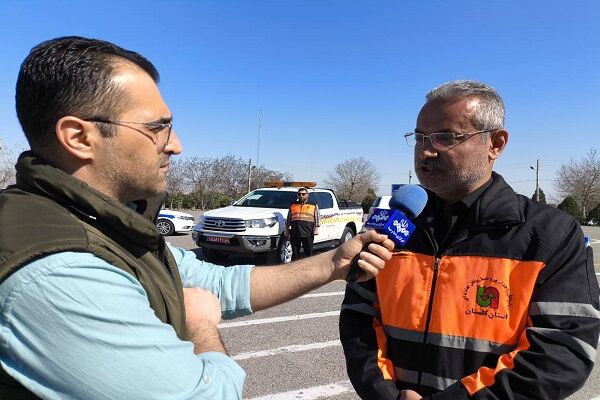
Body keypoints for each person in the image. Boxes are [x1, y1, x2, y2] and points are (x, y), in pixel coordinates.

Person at [0, 36, 395, 400]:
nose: (176, 145)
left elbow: (216, 281)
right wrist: (202, 327)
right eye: (157, 128)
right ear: (79, 137)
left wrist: (333, 263)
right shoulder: (59, 270)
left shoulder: (104, 223)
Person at [339, 80, 600, 399]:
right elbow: (359, 319)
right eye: (420, 137)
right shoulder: (394, 225)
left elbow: (563, 351)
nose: (426, 150)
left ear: (496, 144)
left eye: (445, 137)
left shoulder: (550, 235)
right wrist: (383, 392)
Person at [285, 187, 320, 260]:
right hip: (295, 232)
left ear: (307, 195)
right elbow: (289, 218)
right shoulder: (293, 205)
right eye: (299, 194)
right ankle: (294, 268)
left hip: (308, 232)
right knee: (295, 253)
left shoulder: (313, 205)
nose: (301, 196)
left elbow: (317, 217)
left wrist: (316, 228)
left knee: (308, 252)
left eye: (303, 194)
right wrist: (286, 229)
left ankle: (307, 268)